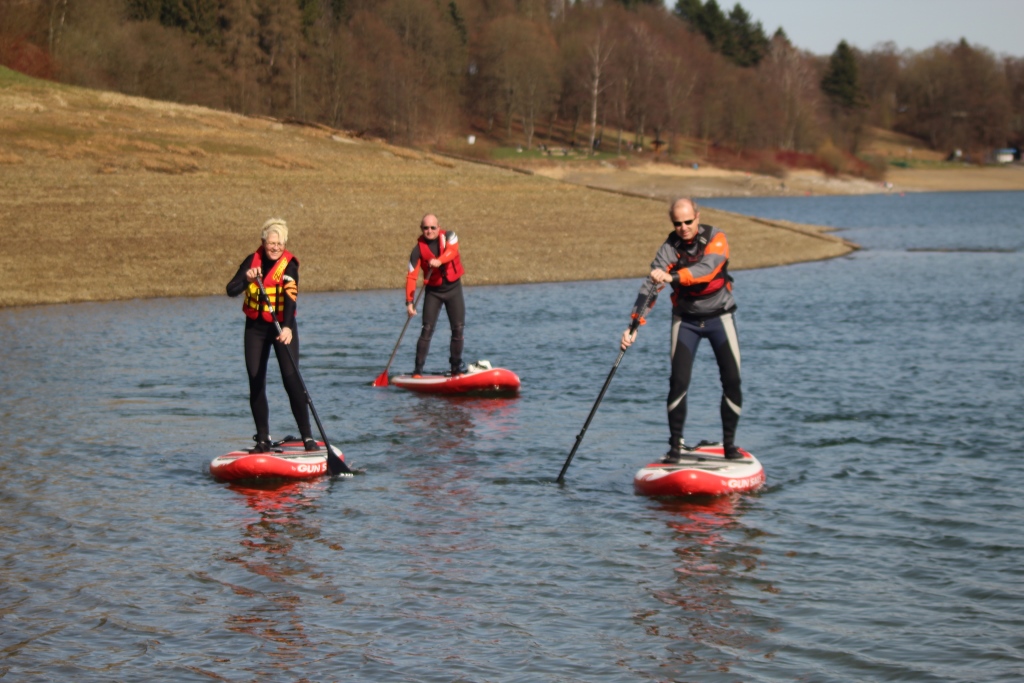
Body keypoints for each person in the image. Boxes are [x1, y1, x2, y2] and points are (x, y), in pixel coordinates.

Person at [620, 198, 743, 461]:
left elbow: (706, 271)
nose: (684, 227)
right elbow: (650, 287)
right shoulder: (669, 248)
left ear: (697, 217)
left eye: (688, 221)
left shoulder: (716, 238)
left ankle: (730, 447)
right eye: (678, 223)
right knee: (678, 382)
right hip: (685, 321)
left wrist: (673, 276)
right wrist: (633, 326)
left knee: (732, 380)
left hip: (720, 318)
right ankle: (675, 448)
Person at [226, 218, 316, 453]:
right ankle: (263, 439)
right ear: (263, 242)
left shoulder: (290, 266)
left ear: (284, 243)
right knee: (256, 379)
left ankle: (307, 437)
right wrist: (246, 279)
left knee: (291, 379)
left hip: (282, 329)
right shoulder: (252, 261)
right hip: (255, 328)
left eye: (279, 243)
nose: (275, 247)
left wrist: (286, 327)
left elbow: (290, 298)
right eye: (271, 243)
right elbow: (230, 290)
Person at [406, 213, 466, 376]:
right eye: (426, 228)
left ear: (438, 228)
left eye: (433, 227)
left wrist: (439, 260)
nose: (429, 231)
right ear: (421, 229)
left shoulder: (450, 236)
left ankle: (455, 368)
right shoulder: (417, 251)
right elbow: (411, 276)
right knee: (427, 329)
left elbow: (452, 251)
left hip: (453, 289)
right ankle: (418, 371)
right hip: (434, 292)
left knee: (458, 329)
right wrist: (409, 302)